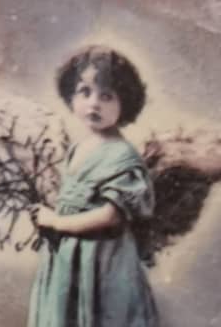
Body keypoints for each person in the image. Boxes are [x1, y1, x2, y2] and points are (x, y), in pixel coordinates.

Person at [29, 45, 158, 327]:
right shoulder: (78, 148)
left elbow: (110, 216)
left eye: (106, 95)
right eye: (84, 92)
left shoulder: (122, 155)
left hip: (103, 261)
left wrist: (57, 222)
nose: (94, 103)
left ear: (125, 102)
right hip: (70, 259)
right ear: (71, 96)